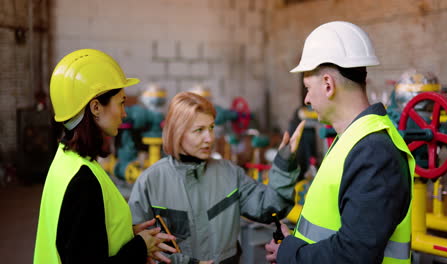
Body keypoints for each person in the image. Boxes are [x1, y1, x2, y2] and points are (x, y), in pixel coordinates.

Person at [265, 21, 415, 263]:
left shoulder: (374, 152)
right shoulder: (354, 140)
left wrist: (291, 255)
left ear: (327, 84)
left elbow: (353, 255)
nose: (306, 99)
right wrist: (294, 245)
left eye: (307, 87)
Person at [34, 49, 177, 264]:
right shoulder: (83, 181)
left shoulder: (65, 160)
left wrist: (126, 236)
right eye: (121, 103)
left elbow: (77, 238)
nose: (125, 113)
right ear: (96, 107)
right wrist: (139, 247)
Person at [128, 91, 304, 263]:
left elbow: (271, 207)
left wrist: (284, 164)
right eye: (199, 130)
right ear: (177, 132)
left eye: (211, 128)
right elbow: (141, 249)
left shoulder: (229, 173)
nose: (209, 138)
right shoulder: (150, 182)